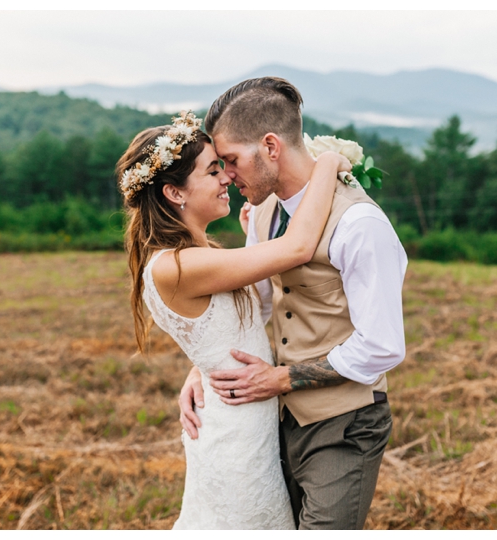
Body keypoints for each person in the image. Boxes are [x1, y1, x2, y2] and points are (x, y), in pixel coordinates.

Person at [178, 77, 408, 529]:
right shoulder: (262, 212)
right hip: (275, 424)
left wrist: (281, 378)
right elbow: (257, 307)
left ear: (270, 146)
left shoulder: (359, 224)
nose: (226, 175)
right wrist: (202, 366)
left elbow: (382, 346)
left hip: (344, 423)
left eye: (231, 161)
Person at [118, 110, 351, 529]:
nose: (226, 176)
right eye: (212, 170)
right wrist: (328, 164)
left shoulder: (199, 255)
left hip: (248, 419)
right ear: (175, 193)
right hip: (235, 437)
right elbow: (298, 248)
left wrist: (201, 368)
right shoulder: (175, 265)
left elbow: (236, 319)